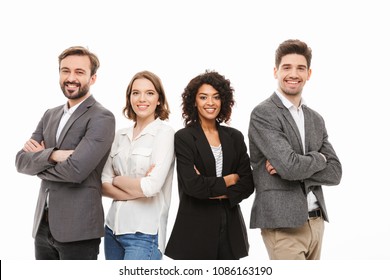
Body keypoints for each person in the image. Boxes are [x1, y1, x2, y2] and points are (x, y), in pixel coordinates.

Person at [15, 46, 116, 260]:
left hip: (78, 230)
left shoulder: (101, 118)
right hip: (43, 226)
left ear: (93, 78)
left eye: (79, 72)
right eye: (65, 70)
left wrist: (39, 164)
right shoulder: (49, 115)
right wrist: (53, 155)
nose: (71, 78)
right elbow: (20, 162)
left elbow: (76, 171)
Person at [248, 39, 342, 260]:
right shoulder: (264, 114)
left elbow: (336, 172)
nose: (293, 74)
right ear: (275, 71)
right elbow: (290, 167)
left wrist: (297, 166)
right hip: (283, 225)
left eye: (300, 68)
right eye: (286, 67)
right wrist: (319, 158)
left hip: (317, 223)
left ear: (309, 73)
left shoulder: (315, 119)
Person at [165, 70, 254, 260]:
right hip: (195, 232)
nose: (210, 103)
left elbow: (248, 184)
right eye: (203, 97)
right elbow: (193, 186)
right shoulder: (184, 138)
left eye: (216, 97)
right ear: (194, 101)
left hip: (230, 232)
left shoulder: (235, 137)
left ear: (223, 101)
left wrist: (210, 187)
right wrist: (230, 179)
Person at [101, 70, 175, 260]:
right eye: (136, 93)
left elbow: (152, 187)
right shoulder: (120, 135)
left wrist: (117, 180)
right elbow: (102, 183)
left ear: (159, 99)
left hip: (144, 234)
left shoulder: (164, 134)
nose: (142, 99)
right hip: (112, 230)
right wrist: (137, 187)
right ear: (129, 98)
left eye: (149, 93)